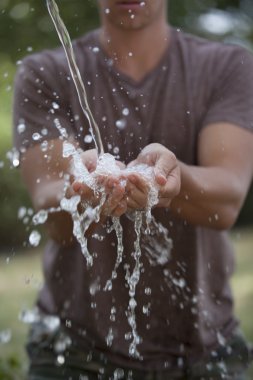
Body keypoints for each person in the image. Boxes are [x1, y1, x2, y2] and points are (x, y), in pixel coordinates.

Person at [13, 0, 253, 379]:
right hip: (74, 354)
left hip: (206, 351)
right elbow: (53, 212)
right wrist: (83, 189)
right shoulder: (45, 73)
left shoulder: (227, 67)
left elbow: (226, 202)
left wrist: (174, 181)